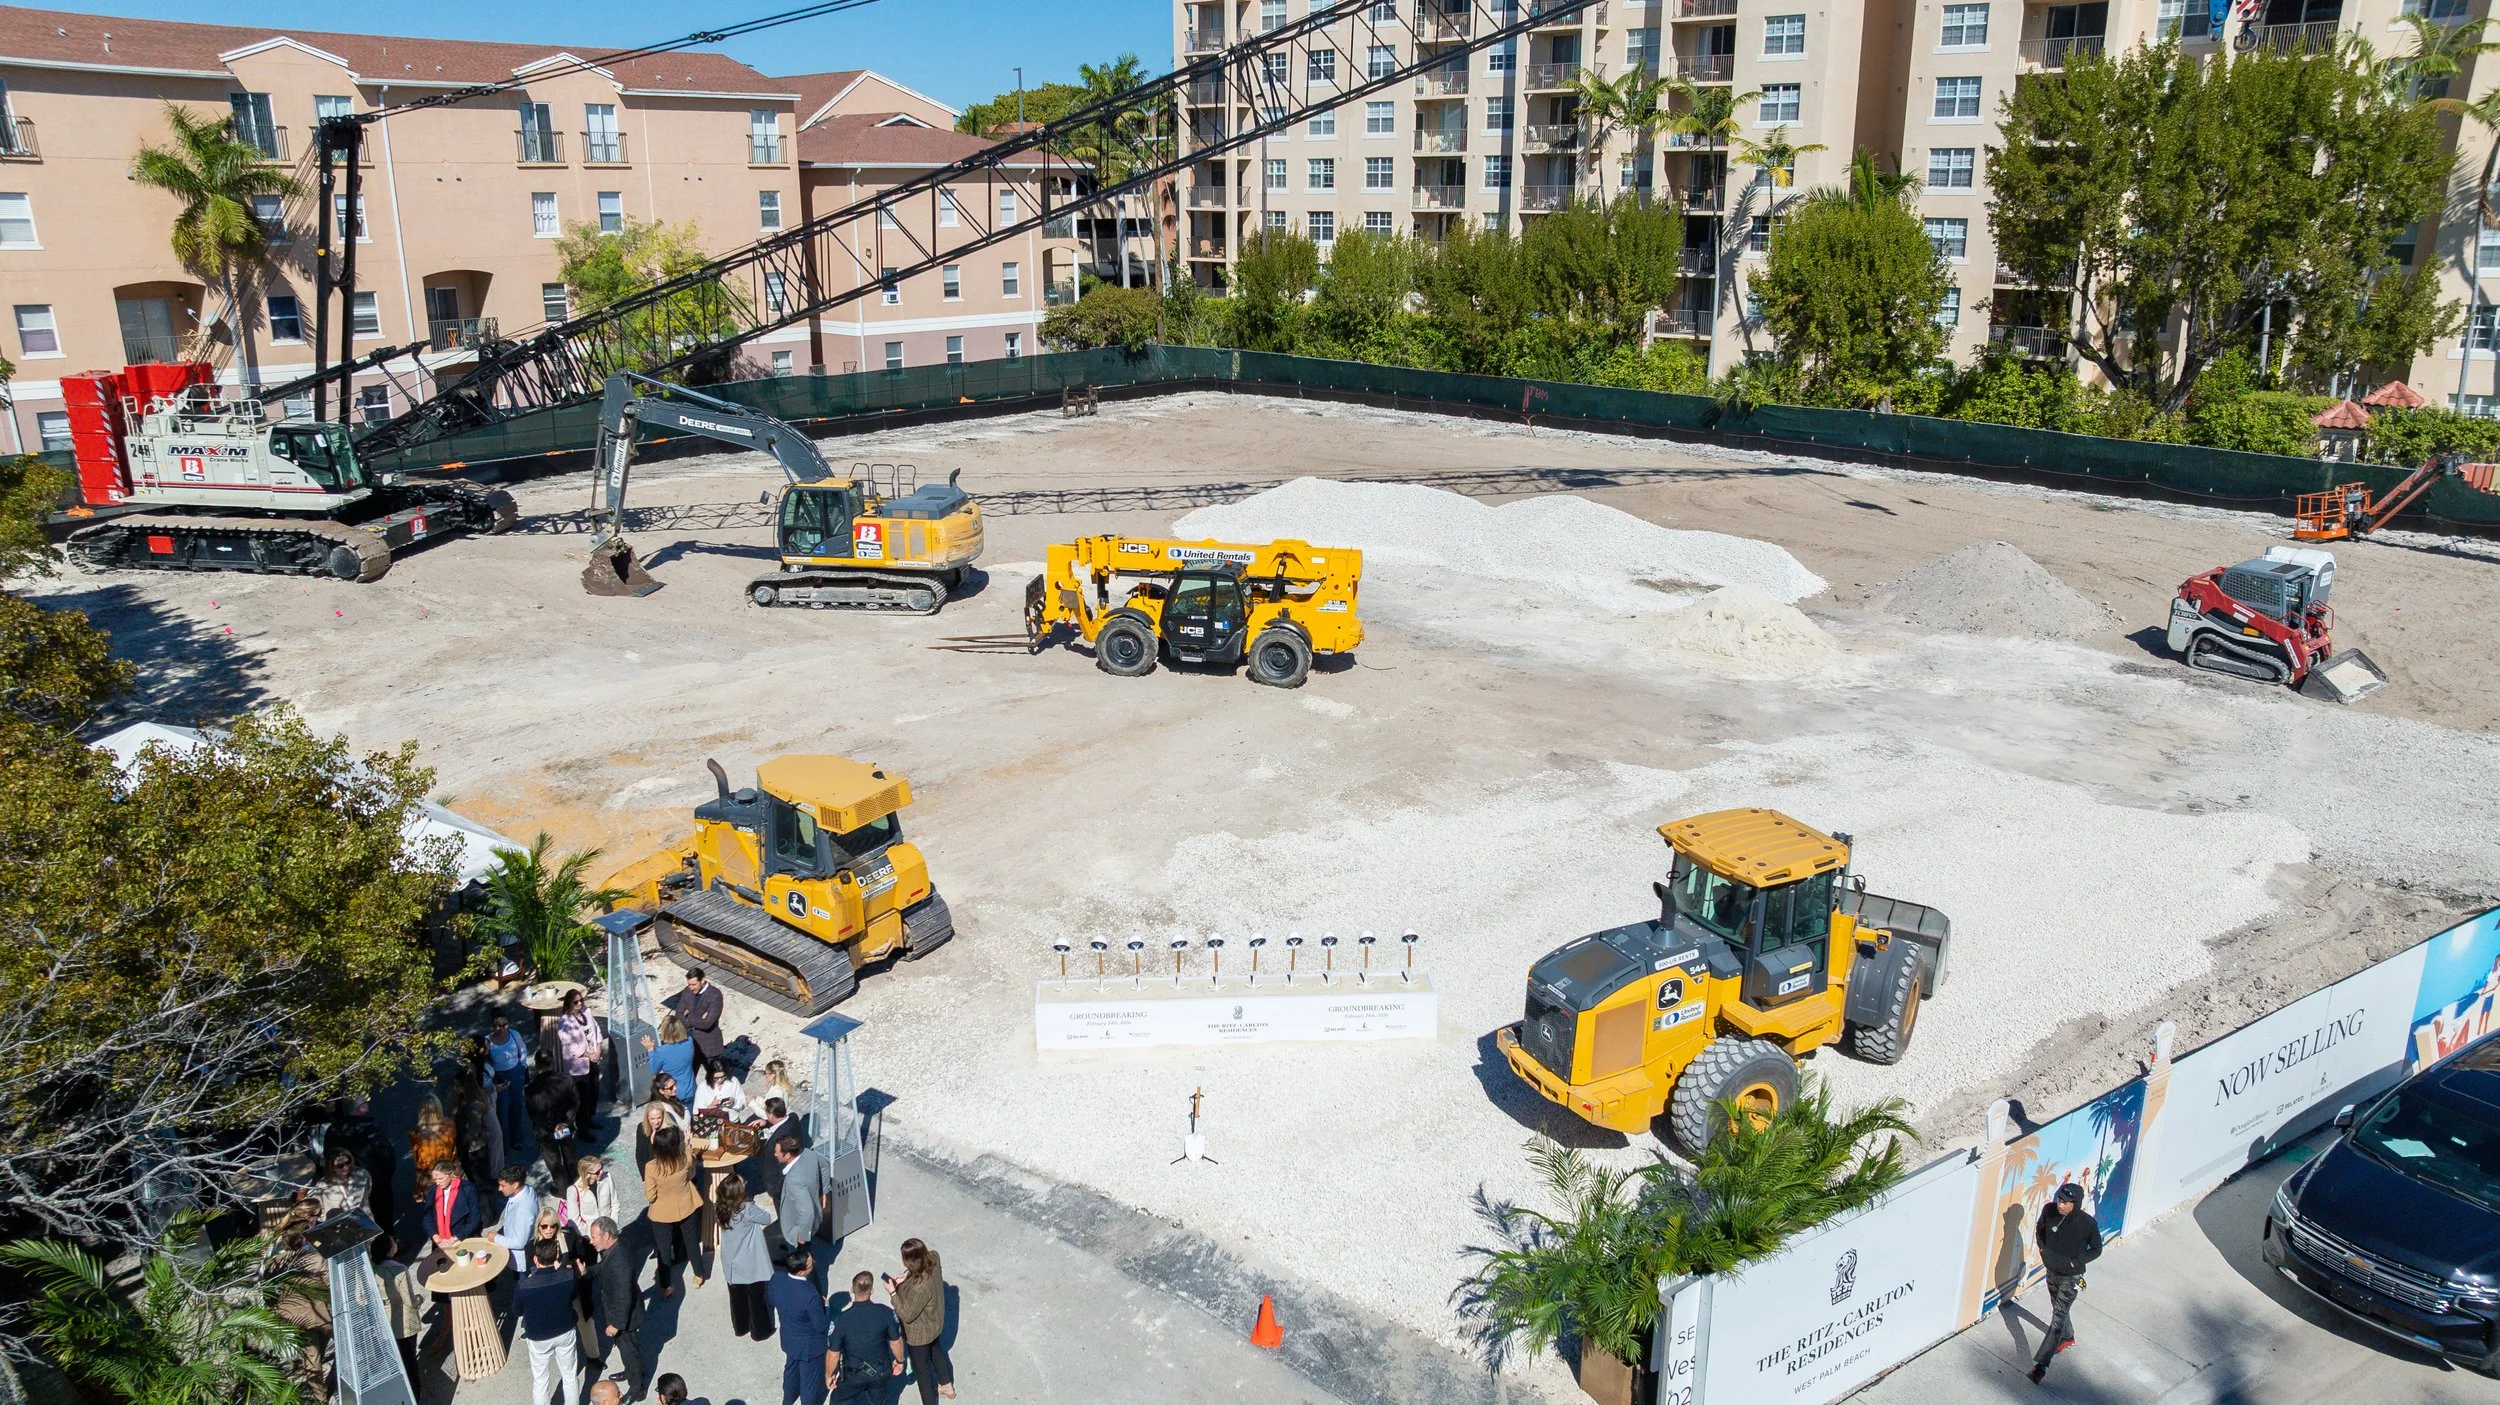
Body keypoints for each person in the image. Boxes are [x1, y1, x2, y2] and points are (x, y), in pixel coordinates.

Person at [2027, 1182, 2104, 1384]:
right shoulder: (2049, 1210)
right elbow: (2039, 1228)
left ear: (2075, 1203)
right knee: (2058, 1307)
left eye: (2066, 1203)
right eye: (2059, 1200)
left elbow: (2096, 1249)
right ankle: (2067, 1337)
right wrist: (2043, 1250)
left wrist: (2074, 1262)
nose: (2060, 1205)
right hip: (2052, 1270)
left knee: (2058, 1317)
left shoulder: (2088, 1224)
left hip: (2072, 1277)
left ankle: (2040, 1366)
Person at [516, 1237, 585, 1405]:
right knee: (569, 1377)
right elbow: (574, 1296)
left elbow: (517, 1311)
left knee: (540, 1381)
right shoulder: (568, 1276)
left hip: (538, 1337)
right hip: (565, 1331)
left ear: (535, 1259)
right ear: (556, 1258)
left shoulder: (524, 1285)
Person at [585, 1217, 646, 1403]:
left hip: (625, 1318)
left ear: (606, 1235)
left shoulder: (619, 1260)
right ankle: (630, 1371)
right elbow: (603, 1268)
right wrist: (586, 1272)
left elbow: (623, 1295)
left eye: (594, 1237)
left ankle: (637, 1389)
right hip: (620, 1314)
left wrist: (617, 1324)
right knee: (625, 1349)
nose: (591, 1241)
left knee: (630, 1352)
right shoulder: (613, 1249)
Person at [886, 1239, 954, 1403]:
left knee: (922, 1372)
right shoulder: (934, 1258)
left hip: (919, 1335)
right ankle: (946, 1385)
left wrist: (893, 1293)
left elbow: (907, 1315)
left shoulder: (920, 1287)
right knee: (936, 1351)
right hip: (935, 1322)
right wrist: (907, 1276)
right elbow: (921, 1269)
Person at [641, 1124, 704, 1298]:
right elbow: (691, 1175)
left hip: (662, 1211)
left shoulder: (651, 1167)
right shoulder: (685, 1158)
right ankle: (699, 1274)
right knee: (691, 1241)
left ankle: (666, 1285)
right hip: (686, 1204)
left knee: (663, 1248)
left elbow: (650, 1195)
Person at [716, 1173, 779, 1343]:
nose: (745, 1181)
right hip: (749, 1261)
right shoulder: (747, 1208)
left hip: (730, 1259)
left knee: (736, 1296)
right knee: (756, 1298)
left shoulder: (720, 1207)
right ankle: (760, 1332)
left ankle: (741, 1326)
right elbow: (767, 1218)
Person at [827, 1270, 904, 1402]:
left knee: (838, 1401)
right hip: (880, 1372)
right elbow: (895, 1342)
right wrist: (900, 1361)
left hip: (853, 1373)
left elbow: (833, 1354)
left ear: (852, 1290)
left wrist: (829, 1375)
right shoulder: (886, 1313)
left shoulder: (842, 1320)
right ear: (872, 1291)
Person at [769, 1248, 832, 1405]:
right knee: (809, 1384)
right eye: (811, 1264)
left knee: (791, 1371)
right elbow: (821, 1326)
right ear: (801, 1272)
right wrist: (826, 1307)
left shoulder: (776, 1279)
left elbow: (770, 1300)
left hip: (789, 1339)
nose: (814, 1264)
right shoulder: (809, 1295)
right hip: (810, 1347)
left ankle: (788, 1400)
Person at [772, 1133, 832, 1291]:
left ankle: (813, 1291)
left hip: (797, 1229)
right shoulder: (809, 1154)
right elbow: (825, 1165)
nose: (775, 1154)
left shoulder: (794, 1181)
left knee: (804, 1261)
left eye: (778, 1152)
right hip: (803, 1222)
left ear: (788, 1155)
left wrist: (802, 1236)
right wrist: (824, 1190)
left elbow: (807, 1213)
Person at [325, 1097, 396, 1228]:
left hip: (345, 1182)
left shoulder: (332, 1130)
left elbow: (328, 1156)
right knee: (382, 1215)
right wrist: (386, 1175)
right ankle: (388, 1244)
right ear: (359, 1107)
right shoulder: (370, 1127)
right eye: (365, 1102)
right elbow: (386, 1154)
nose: (368, 1103)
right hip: (376, 1181)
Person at [372, 1235, 428, 1388]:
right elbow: (409, 1301)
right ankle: (414, 1393)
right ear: (391, 1250)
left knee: (395, 1358)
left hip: (384, 1321)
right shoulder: (398, 1270)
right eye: (394, 1242)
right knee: (409, 1360)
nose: (396, 1243)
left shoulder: (371, 1270)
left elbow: (361, 1298)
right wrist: (419, 1299)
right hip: (404, 1322)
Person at [555, 990, 607, 1140]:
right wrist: (589, 1055)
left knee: (594, 1092)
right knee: (582, 1098)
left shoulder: (586, 1012)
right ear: (569, 1004)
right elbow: (571, 1046)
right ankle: (582, 1129)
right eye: (576, 1002)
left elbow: (596, 1029)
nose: (580, 1004)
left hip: (593, 1059)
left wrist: (597, 1049)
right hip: (578, 1065)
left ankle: (590, 1119)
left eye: (581, 1001)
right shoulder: (565, 1022)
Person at [529, 1047, 582, 1189]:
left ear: (536, 1063)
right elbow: (575, 1101)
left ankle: (563, 1188)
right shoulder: (566, 1079)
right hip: (565, 1127)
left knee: (553, 1160)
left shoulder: (531, 1089)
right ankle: (576, 1182)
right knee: (569, 1153)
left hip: (546, 1132)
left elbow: (535, 1115)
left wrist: (552, 1127)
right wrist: (565, 1122)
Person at [454, 1066, 504, 1211]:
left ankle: (487, 1214)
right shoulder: (471, 1100)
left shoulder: (475, 1105)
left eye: (457, 1086)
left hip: (476, 1149)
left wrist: (461, 1145)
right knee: (480, 1183)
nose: (455, 1089)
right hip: (475, 1148)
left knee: (482, 1185)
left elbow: (473, 1132)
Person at [487, 1010, 535, 1158]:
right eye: (498, 1025)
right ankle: (505, 1143)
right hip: (499, 1077)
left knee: (517, 1107)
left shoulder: (514, 1035)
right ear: (492, 1026)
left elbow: (522, 1051)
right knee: (502, 1111)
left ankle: (517, 1139)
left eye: (504, 1024)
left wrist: (521, 1068)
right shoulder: (488, 1041)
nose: (501, 1028)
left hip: (515, 1074)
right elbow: (486, 1061)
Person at [664, 968, 726, 1068]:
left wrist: (687, 1016)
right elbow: (678, 1015)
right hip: (690, 1045)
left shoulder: (715, 995)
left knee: (715, 1078)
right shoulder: (687, 991)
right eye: (689, 984)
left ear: (702, 981)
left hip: (709, 1046)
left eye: (694, 984)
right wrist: (698, 1019)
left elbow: (707, 1023)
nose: (691, 988)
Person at [411, 1095, 459, 1204]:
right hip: (448, 1173)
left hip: (429, 1179)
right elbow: (455, 1151)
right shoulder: (449, 1126)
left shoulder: (416, 1134)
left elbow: (418, 1160)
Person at [302, 1147, 372, 1222]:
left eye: (347, 1162)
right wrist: (327, 1219)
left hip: (365, 1222)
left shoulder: (362, 1175)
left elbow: (368, 1190)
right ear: (332, 1167)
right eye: (340, 1165)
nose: (345, 1167)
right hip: (340, 1227)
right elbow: (313, 1208)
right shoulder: (323, 1185)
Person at [643, 1015, 697, 1106]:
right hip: (690, 1089)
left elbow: (654, 1069)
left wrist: (650, 1050)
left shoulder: (660, 1052)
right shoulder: (689, 1041)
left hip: (673, 1092)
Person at [427, 1162, 481, 1249]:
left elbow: (474, 1219)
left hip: (463, 1237)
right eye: (435, 1179)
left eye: (440, 1178)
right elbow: (427, 1216)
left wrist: (455, 1238)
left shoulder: (468, 1189)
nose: (437, 1183)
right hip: (440, 1241)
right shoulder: (432, 1191)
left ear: (451, 1175)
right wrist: (436, 1237)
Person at [566, 1156, 621, 1239]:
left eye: (601, 1168)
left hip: (609, 1232)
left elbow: (615, 1204)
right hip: (589, 1237)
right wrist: (591, 1235)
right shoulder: (573, 1191)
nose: (601, 1172)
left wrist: (612, 1225)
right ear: (587, 1174)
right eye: (597, 1172)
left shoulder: (607, 1178)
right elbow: (574, 1220)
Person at [494, 1164, 540, 1253]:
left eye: (503, 1185)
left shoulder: (524, 1211)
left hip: (517, 1258)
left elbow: (519, 1242)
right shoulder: (527, 1189)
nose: (499, 1189)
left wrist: (496, 1238)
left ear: (515, 1185)